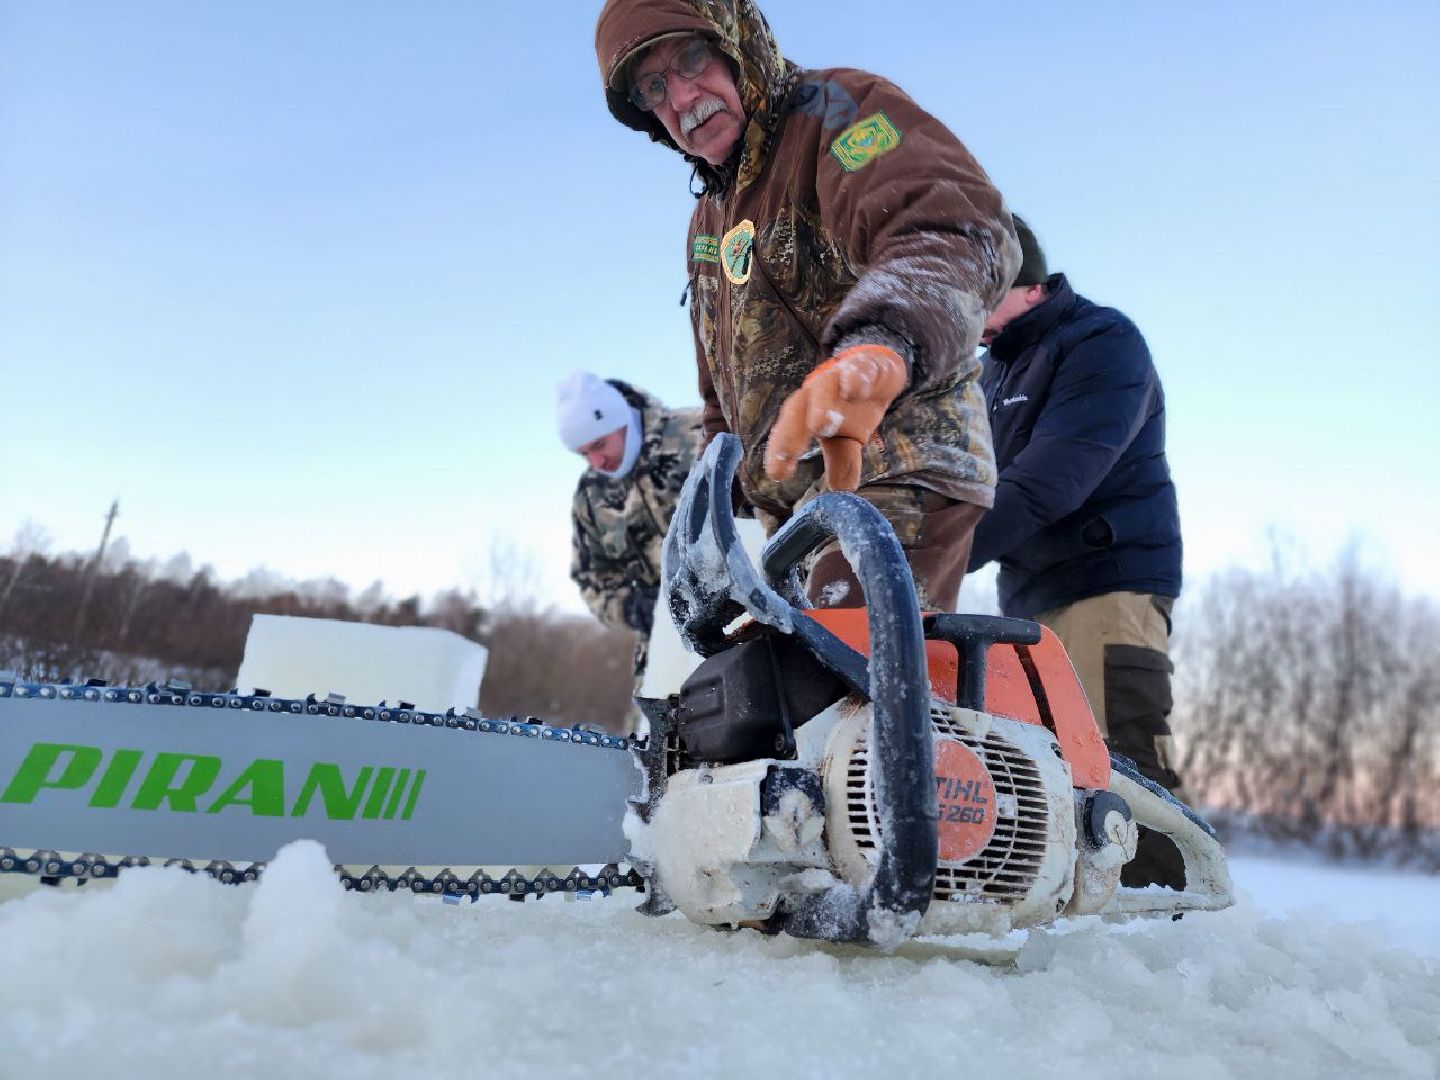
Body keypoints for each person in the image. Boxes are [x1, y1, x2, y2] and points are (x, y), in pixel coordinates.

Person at [594, 0, 1019, 612]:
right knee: (766, 698)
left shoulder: (835, 114)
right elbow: (722, 389)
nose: (683, 98)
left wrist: (880, 348)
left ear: (736, 40)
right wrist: (716, 498)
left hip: (895, 457)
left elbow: (949, 225)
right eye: (653, 88)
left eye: (691, 58)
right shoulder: (708, 221)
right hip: (793, 524)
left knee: (840, 674)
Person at [968, 216, 1186, 888]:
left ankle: (1170, 934)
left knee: (1120, 766)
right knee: (1043, 772)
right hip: (1027, 600)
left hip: (1105, 585)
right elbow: (961, 483)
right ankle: (1077, 936)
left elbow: (1050, 481)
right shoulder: (984, 374)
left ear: (1016, 280)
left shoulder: (1100, 341)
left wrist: (935, 558)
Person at [559, 372, 703, 718]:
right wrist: (633, 608)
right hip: (661, 651)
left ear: (621, 421)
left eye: (599, 445)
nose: (597, 462)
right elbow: (591, 579)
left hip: (742, 622)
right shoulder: (590, 495)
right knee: (660, 755)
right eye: (584, 454)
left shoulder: (699, 433)